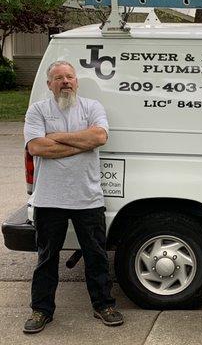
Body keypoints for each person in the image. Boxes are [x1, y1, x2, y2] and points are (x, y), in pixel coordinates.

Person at [22, 61, 123, 334]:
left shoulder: (92, 107)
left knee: (97, 256)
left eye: (69, 77)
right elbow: (36, 146)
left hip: (87, 198)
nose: (65, 81)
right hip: (48, 199)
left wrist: (57, 138)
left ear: (76, 81)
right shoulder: (38, 110)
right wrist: (80, 144)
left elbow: (100, 137)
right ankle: (41, 310)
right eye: (58, 78)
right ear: (49, 84)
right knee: (46, 258)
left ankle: (104, 305)